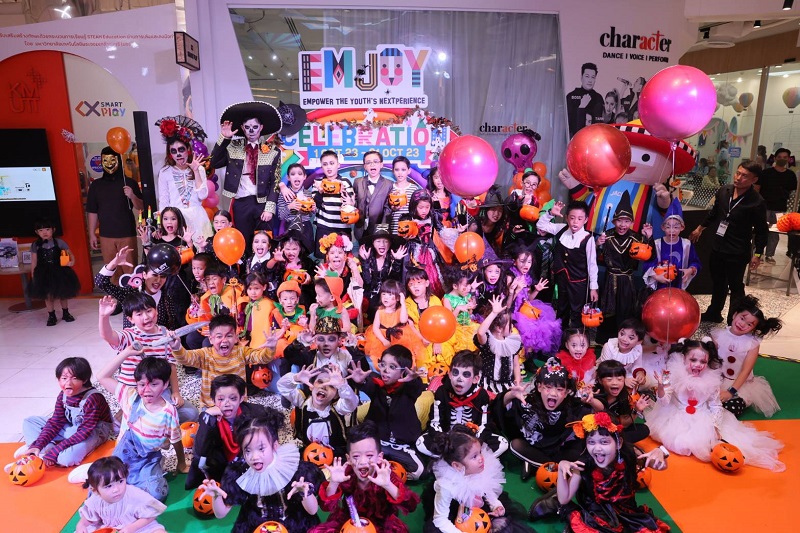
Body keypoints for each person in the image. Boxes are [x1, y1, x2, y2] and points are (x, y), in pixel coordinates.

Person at [648, 338, 785, 471]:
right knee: (682, 443)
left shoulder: (711, 379)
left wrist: (715, 426)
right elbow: (664, 402)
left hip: (701, 416)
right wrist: (661, 386)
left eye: (703, 361)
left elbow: (716, 406)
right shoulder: (673, 375)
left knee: (707, 442)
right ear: (684, 358)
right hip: (676, 415)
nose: (698, 365)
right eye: (693, 360)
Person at [200, 412, 324, 533]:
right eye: (248, 451)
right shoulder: (240, 473)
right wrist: (216, 496)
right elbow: (221, 514)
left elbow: (312, 511)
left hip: (293, 524)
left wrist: (305, 493)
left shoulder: (295, 470)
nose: (254, 457)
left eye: (261, 449)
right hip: (256, 525)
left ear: (275, 445)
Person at [91, 347, 188, 500]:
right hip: (122, 457)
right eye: (142, 384)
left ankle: (146, 474)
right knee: (99, 489)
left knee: (157, 493)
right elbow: (101, 376)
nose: (146, 390)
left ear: (165, 384)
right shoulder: (129, 396)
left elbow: (176, 440)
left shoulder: (168, 412)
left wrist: (181, 463)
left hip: (147, 460)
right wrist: (126, 352)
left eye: (154, 384)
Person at [556, 413, 670, 531]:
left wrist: (661, 452)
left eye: (604, 442)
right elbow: (564, 499)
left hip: (627, 512)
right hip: (598, 515)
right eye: (591, 442)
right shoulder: (583, 465)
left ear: (619, 443)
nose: (597, 448)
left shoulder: (629, 456)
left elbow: (661, 467)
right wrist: (561, 467)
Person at [689, 160, 768, 324]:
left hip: (737, 251)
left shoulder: (756, 201)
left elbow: (762, 231)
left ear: (754, 180)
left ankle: (734, 318)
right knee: (718, 282)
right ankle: (714, 312)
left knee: (735, 286)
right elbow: (714, 213)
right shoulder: (724, 191)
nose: (738, 178)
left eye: (744, 176)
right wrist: (700, 228)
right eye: (738, 173)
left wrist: (758, 254)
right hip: (718, 247)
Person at [98, 294, 196, 424]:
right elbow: (108, 336)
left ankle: (137, 416)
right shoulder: (129, 335)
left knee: (192, 414)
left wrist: (176, 392)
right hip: (133, 392)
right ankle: (130, 414)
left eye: (149, 311)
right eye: (139, 314)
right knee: (156, 420)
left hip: (158, 389)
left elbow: (171, 365)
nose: (146, 317)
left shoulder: (164, 332)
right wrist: (104, 316)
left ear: (156, 310)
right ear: (130, 319)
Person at [311, 421, 420, 533]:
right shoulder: (346, 474)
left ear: (379, 457)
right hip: (350, 521)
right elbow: (326, 507)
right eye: (356, 456)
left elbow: (410, 505)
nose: (363, 462)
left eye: (369, 455)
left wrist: (388, 485)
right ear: (348, 459)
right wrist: (334, 483)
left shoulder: (386, 475)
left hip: (381, 524)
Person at [496, 357, 592, 484]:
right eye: (548, 387)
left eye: (559, 389)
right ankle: (552, 467)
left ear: (567, 392)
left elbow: (598, 414)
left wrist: (592, 400)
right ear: (539, 387)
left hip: (560, 452)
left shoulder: (573, 405)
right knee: (516, 445)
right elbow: (500, 410)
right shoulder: (529, 401)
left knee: (579, 451)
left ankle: (533, 464)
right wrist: (510, 395)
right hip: (533, 447)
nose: (553, 393)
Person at [423, 426, 535, 533]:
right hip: (454, 509)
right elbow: (440, 520)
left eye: (480, 452)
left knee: (501, 524)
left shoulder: (480, 467)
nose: (481, 458)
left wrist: (495, 505)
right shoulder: (446, 485)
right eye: (474, 456)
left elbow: (485, 489)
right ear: (457, 465)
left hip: (477, 507)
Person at [10, 357, 111, 471]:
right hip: (71, 428)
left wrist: (56, 451)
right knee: (30, 422)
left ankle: (48, 451)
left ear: (85, 379)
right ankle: (39, 448)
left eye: (74, 378)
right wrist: (38, 445)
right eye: (64, 378)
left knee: (66, 459)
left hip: (92, 432)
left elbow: (84, 431)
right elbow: (56, 422)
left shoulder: (93, 398)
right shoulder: (63, 395)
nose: (68, 383)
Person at [210, 101, 285, 253]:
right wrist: (224, 138)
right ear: (243, 128)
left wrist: (269, 208)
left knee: (264, 242)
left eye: (255, 127)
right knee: (243, 241)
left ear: (261, 128)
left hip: (262, 203)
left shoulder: (273, 151)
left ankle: (263, 268)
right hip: (241, 203)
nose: (251, 131)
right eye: (247, 127)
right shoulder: (233, 146)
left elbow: (275, 181)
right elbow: (214, 162)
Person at [350, 345, 429, 480]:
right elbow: (367, 383)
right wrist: (361, 381)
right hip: (378, 442)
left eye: (392, 367)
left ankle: (385, 467)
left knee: (420, 471)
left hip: (402, 446)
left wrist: (413, 379)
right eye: (383, 364)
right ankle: (381, 466)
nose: (385, 370)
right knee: (357, 457)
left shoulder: (408, 388)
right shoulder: (376, 383)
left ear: (403, 371)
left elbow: (417, 388)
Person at [171, 314, 278, 407]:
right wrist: (177, 348)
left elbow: (261, 357)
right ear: (211, 339)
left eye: (229, 336)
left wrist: (271, 349)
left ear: (236, 338)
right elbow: (186, 358)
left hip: (237, 405)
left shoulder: (241, 352)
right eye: (219, 336)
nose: (224, 340)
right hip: (212, 406)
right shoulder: (205, 355)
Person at [417, 350, 508, 458]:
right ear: (450, 374)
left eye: (466, 374)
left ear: (475, 379)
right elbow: (435, 421)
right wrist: (442, 439)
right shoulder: (442, 392)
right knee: (421, 442)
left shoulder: (481, 395)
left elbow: (484, 424)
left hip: (471, 439)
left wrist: (477, 441)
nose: (459, 379)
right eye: (455, 373)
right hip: (447, 437)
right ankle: (453, 457)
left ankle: (465, 457)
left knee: (502, 443)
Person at [185, 374, 267, 490]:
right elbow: (200, 451)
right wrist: (208, 418)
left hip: (249, 461)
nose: (227, 403)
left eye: (233, 398)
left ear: (241, 398)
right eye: (221, 399)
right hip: (221, 466)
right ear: (213, 400)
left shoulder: (255, 413)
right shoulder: (209, 418)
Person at [711, 295, 783, 418]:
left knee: (730, 408)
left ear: (753, 329)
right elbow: (712, 362)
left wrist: (730, 392)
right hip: (719, 379)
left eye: (749, 324)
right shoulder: (718, 335)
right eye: (742, 318)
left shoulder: (752, 344)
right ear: (734, 315)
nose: (742, 324)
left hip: (740, 385)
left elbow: (745, 370)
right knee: (703, 401)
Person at [595, 191, 654, 341]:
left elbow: (649, 256)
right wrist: (596, 245)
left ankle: (625, 340)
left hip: (627, 281)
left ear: (631, 222)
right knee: (609, 309)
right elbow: (592, 258)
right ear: (613, 221)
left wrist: (648, 238)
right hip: (610, 280)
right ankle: (606, 340)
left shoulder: (636, 238)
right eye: (619, 221)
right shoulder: (606, 237)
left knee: (626, 310)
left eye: (627, 221)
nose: (623, 225)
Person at [537, 200, 599, 329]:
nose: (575, 222)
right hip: (562, 279)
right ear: (566, 218)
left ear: (586, 220)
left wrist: (593, 288)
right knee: (561, 309)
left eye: (580, 219)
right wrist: (550, 214)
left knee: (577, 312)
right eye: (572, 218)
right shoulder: (561, 229)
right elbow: (541, 225)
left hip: (579, 282)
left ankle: (575, 338)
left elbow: (592, 265)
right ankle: (560, 336)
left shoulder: (588, 239)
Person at [86, 146, 143, 284]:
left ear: (119, 160)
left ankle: (132, 296)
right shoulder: (96, 185)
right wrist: (92, 233)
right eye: (105, 160)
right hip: (106, 235)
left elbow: (141, 206)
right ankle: (115, 297)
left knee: (130, 270)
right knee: (111, 271)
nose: (109, 163)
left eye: (112, 159)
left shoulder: (129, 182)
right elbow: (92, 211)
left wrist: (132, 196)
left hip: (127, 233)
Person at [277, 363, 359, 459]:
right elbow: (282, 386)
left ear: (336, 395)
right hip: (309, 450)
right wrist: (296, 378)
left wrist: (342, 386)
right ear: (311, 386)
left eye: (331, 386)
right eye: (320, 382)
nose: (324, 387)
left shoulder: (338, 408)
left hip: (335, 453)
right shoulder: (302, 401)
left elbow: (352, 403)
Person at [155, 117, 213, 247]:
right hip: (177, 219)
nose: (178, 154)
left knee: (201, 253)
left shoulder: (199, 169)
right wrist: (163, 225)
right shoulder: (165, 172)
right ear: (170, 154)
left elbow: (202, 195)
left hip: (198, 218)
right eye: (173, 151)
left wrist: (196, 171)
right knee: (181, 253)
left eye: (181, 149)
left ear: (188, 149)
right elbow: (164, 201)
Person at [76, 457, 167, 533]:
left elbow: (151, 514)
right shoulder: (96, 499)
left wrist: (132, 528)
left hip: (139, 527)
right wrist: (81, 525)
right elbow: (88, 517)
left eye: (120, 481)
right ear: (95, 490)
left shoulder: (135, 494)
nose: (116, 489)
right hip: (110, 528)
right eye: (109, 486)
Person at [27, 218, 81, 326]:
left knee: (63, 293)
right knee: (48, 295)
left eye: (47, 229)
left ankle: (66, 313)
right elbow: (34, 261)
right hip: (43, 273)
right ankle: (51, 315)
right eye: (41, 230)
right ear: (37, 232)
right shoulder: (35, 245)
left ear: (53, 230)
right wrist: (33, 275)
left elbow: (70, 254)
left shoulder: (59, 242)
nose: (45, 232)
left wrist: (72, 262)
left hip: (60, 271)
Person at [364, 279, 425, 368]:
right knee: (380, 359)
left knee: (402, 358)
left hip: (399, 337)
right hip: (383, 337)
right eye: (383, 294)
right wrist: (384, 340)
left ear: (397, 298)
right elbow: (375, 328)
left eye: (390, 295)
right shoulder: (380, 311)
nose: (385, 297)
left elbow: (403, 320)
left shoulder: (400, 310)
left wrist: (403, 303)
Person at [643, 198, 701, 292]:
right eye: (668, 227)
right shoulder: (657, 244)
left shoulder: (687, 245)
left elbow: (695, 262)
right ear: (663, 227)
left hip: (679, 287)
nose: (672, 231)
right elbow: (648, 264)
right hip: (659, 289)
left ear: (682, 227)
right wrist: (656, 276)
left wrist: (690, 270)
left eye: (676, 227)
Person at [587, 360, 651, 444]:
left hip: (613, 431)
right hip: (592, 431)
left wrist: (637, 409)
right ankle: (615, 444)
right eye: (609, 379)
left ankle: (614, 443)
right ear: (600, 380)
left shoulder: (623, 395)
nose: (615, 383)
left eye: (619, 379)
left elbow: (624, 424)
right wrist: (589, 399)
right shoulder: (593, 392)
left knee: (643, 429)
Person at [475, 295, 522, 396]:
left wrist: (517, 381)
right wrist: (494, 313)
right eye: (510, 324)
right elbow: (480, 332)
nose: (512, 326)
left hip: (506, 384)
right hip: (487, 384)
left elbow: (516, 364)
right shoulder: (488, 341)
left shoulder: (512, 342)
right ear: (499, 328)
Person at [756, 148, 797, 263]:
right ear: (775, 158)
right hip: (764, 207)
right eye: (779, 157)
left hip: (780, 208)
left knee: (775, 233)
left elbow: (792, 192)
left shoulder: (791, 175)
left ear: (788, 159)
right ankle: (757, 253)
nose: (782, 159)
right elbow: (757, 189)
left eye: (785, 157)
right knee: (760, 231)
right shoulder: (766, 173)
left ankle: (769, 255)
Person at [359, 224, 406, 322]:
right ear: (373, 243)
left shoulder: (394, 257)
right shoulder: (368, 257)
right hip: (370, 299)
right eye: (378, 241)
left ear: (390, 243)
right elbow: (367, 281)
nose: (382, 244)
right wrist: (365, 262)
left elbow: (392, 283)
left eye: (385, 241)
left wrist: (397, 261)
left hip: (388, 298)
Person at [314, 150, 357, 255]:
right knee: (325, 257)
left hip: (342, 227)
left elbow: (351, 204)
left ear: (338, 165)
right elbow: (315, 206)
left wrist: (344, 193)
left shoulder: (345, 181)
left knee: (343, 257)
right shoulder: (318, 182)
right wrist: (320, 191)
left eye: (332, 163)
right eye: (325, 164)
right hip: (324, 226)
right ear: (321, 166)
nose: (329, 167)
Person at [354, 150, 392, 241]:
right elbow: (355, 202)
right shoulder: (357, 182)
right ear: (365, 166)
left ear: (381, 164)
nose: (372, 164)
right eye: (368, 162)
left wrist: (382, 229)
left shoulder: (389, 184)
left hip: (379, 228)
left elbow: (388, 209)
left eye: (375, 161)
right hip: (361, 228)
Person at [598, 318, 647, 389]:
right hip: (607, 374)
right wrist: (623, 380)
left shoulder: (638, 348)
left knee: (635, 383)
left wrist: (639, 373)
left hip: (625, 374)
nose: (624, 339)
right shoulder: (609, 346)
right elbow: (606, 370)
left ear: (639, 342)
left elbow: (637, 365)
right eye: (622, 334)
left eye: (631, 338)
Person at [276, 163, 315, 250]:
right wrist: (290, 207)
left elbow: (310, 215)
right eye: (293, 174)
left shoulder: (308, 193)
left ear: (304, 177)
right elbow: (281, 216)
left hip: (306, 226)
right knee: (293, 250)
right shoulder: (284, 194)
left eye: (300, 174)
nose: (296, 176)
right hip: (291, 227)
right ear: (288, 178)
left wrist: (313, 209)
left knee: (306, 250)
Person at [566, 62, 604, 138]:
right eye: (587, 76)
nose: (590, 80)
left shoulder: (598, 98)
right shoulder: (571, 96)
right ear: (581, 77)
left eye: (593, 77)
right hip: (575, 138)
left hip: (594, 138)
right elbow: (569, 124)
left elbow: (600, 124)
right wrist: (581, 107)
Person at [386, 155, 421, 234]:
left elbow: (417, 209)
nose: (400, 173)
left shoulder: (414, 188)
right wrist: (393, 209)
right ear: (393, 171)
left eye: (403, 170)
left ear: (409, 171)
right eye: (397, 169)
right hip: (393, 229)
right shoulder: (390, 187)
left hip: (409, 229)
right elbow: (385, 209)